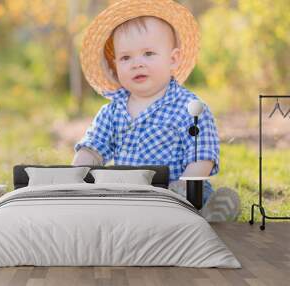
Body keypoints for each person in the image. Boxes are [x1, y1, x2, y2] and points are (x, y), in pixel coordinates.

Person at [72, 0, 240, 221]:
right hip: (130, 192)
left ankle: (209, 212)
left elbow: (202, 157)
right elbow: (92, 149)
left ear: (173, 59)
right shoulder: (112, 112)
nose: (137, 63)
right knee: (104, 202)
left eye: (148, 54)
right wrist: (75, 177)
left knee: (193, 198)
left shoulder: (189, 108)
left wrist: (182, 187)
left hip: (177, 189)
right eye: (126, 57)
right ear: (115, 66)